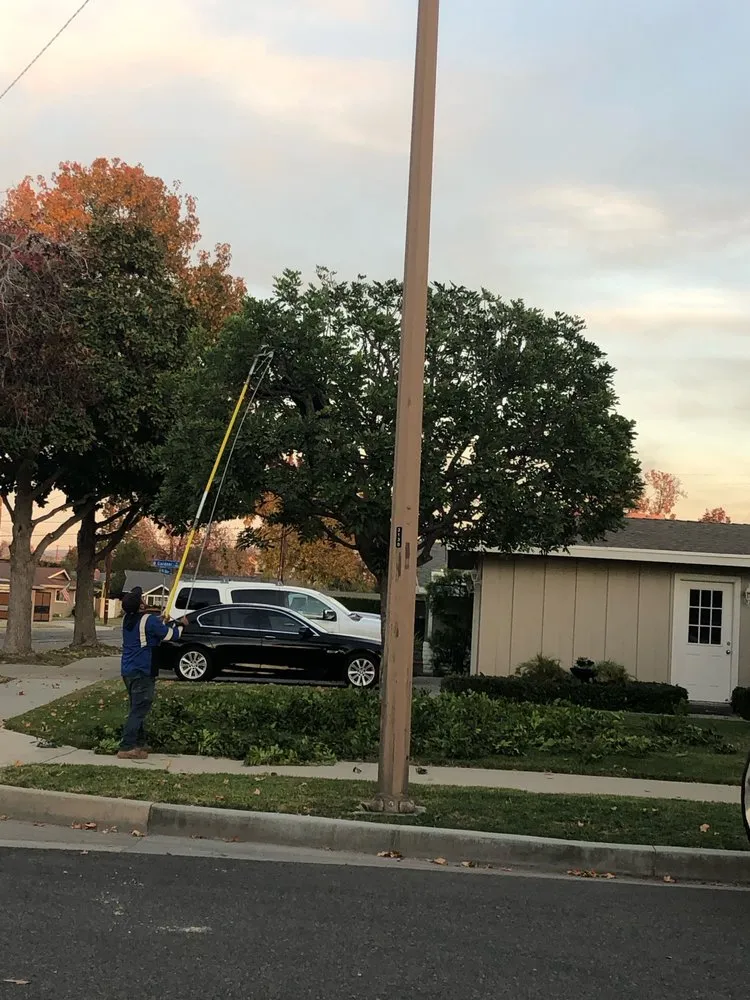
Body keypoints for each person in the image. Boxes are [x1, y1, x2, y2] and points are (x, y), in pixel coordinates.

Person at [118, 587, 187, 760]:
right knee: (139, 709)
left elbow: (148, 632)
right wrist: (181, 625)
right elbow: (171, 635)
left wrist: (160, 621)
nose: (143, 600)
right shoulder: (148, 620)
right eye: (141, 599)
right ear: (140, 606)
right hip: (143, 670)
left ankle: (139, 744)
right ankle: (127, 746)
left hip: (128, 670)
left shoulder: (128, 619)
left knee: (137, 708)